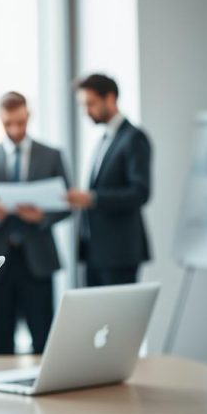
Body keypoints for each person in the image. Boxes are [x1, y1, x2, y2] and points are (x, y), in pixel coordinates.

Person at [0, 92, 70, 355]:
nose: (15, 129)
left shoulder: (51, 155)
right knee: (0, 343)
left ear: (29, 115)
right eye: (8, 123)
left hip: (37, 260)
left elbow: (66, 204)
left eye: (20, 122)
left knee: (43, 340)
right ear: (0, 120)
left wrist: (42, 217)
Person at [66, 73, 152, 286]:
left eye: (91, 104)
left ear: (110, 98)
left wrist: (93, 198)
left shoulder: (134, 138)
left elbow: (140, 192)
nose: (86, 111)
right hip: (94, 251)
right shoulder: (104, 139)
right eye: (83, 106)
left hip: (119, 253)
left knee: (119, 308)